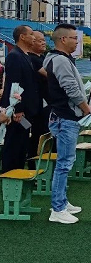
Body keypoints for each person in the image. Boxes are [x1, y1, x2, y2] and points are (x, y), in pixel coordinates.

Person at [44, 24, 91, 224]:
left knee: (65, 163)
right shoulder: (60, 60)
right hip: (66, 117)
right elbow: (70, 88)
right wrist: (85, 107)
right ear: (63, 39)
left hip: (63, 115)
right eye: (74, 38)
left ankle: (61, 200)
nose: (77, 42)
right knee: (64, 164)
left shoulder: (55, 59)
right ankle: (57, 208)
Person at [1, 25, 40, 173]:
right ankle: (9, 174)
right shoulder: (14, 56)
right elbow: (14, 84)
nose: (34, 37)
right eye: (31, 34)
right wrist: (17, 109)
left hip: (27, 109)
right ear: (22, 37)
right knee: (14, 143)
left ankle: (17, 171)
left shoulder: (25, 55)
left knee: (22, 142)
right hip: (18, 110)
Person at [28, 31, 50, 170]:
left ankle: (43, 167)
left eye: (44, 40)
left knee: (45, 136)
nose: (43, 42)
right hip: (36, 106)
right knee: (36, 137)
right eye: (39, 40)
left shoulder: (42, 57)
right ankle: (33, 167)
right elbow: (49, 76)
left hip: (46, 105)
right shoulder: (31, 59)